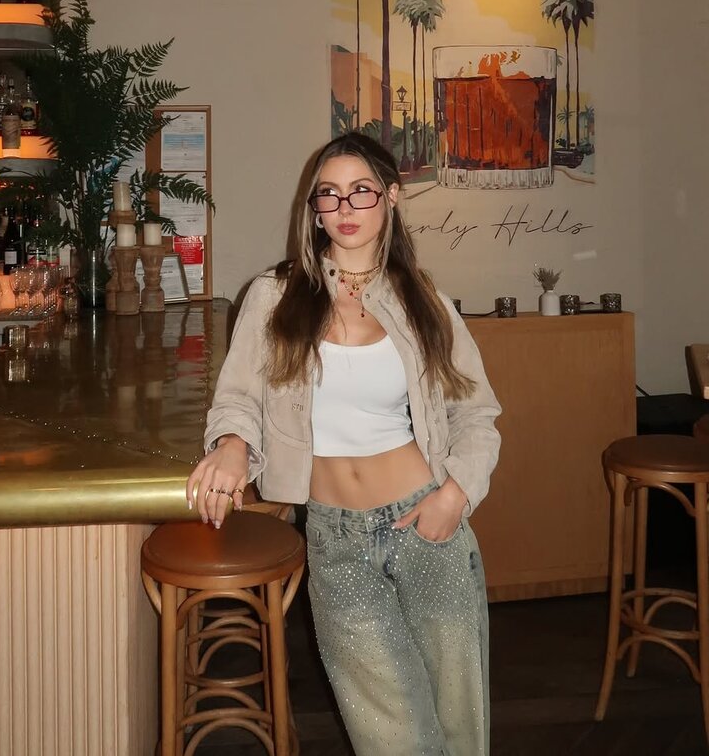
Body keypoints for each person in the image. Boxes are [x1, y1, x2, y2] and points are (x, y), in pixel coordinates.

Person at [187, 131, 501, 756]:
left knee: (458, 724)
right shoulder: (274, 297)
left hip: (426, 524)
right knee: (390, 736)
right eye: (328, 195)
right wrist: (232, 443)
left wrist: (456, 494)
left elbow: (476, 411)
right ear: (314, 210)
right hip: (335, 537)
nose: (344, 208)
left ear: (392, 198)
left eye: (361, 191)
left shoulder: (424, 301)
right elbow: (239, 396)